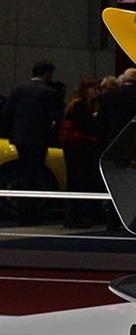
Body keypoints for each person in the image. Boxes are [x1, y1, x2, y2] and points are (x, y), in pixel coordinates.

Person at [4, 60, 63, 223]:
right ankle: (30, 212)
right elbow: (55, 117)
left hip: (20, 138)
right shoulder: (49, 93)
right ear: (47, 73)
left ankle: (23, 210)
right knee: (35, 174)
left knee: (25, 173)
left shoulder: (17, 90)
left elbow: (7, 113)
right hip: (39, 139)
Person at [59, 77, 102, 227]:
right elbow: (86, 126)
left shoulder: (74, 104)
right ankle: (75, 216)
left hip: (74, 148)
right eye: (94, 89)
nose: (97, 92)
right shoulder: (80, 106)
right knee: (79, 181)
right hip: (79, 148)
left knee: (75, 180)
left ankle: (73, 215)